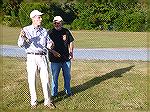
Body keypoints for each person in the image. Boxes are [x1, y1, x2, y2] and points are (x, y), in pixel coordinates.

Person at [17, 10, 55, 109]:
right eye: (39, 17)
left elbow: (48, 43)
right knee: (32, 80)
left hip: (43, 57)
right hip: (31, 57)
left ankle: (48, 101)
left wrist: (51, 44)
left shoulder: (44, 31)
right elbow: (20, 44)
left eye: (41, 17)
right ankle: (34, 102)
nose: (41, 19)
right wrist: (22, 36)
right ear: (33, 18)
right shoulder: (25, 30)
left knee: (46, 79)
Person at [48, 16, 74, 98]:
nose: (57, 24)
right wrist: (53, 52)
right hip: (54, 60)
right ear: (53, 23)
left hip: (66, 58)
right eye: (55, 22)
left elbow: (71, 42)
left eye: (58, 22)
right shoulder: (50, 32)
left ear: (62, 22)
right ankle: (54, 94)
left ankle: (68, 91)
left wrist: (71, 52)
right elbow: (46, 46)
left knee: (67, 76)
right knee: (54, 77)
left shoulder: (66, 31)